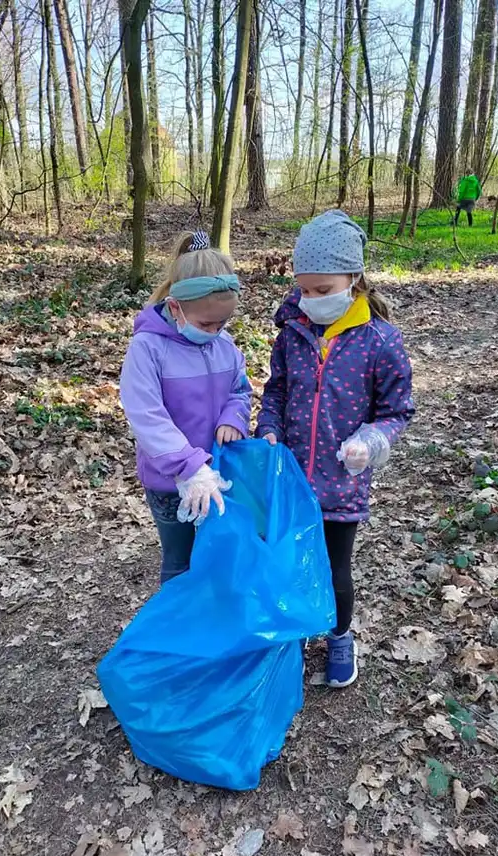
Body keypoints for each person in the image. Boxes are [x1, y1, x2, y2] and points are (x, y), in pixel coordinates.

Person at [256, 210, 414, 688]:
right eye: (304, 290)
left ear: (354, 279)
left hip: (343, 481)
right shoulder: (292, 334)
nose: (312, 300)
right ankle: (300, 629)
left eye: (323, 290)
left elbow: (396, 410)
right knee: (292, 560)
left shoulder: (381, 342)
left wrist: (372, 441)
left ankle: (340, 636)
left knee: (335, 567)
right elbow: (276, 391)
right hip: (292, 480)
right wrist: (269, 428)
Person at [120, 230, 251, 583]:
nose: (216, 330)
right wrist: (188, 466)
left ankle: (214, 624)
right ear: (175, 307)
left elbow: (240, 390)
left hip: (220, 473)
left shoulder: (224, 344)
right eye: (207, 323)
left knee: (220, 554)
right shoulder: (148, 348)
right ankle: (178, 631)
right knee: (179, 562)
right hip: (169, 481)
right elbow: (146, 414)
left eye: (224, 322)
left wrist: (233, 417)